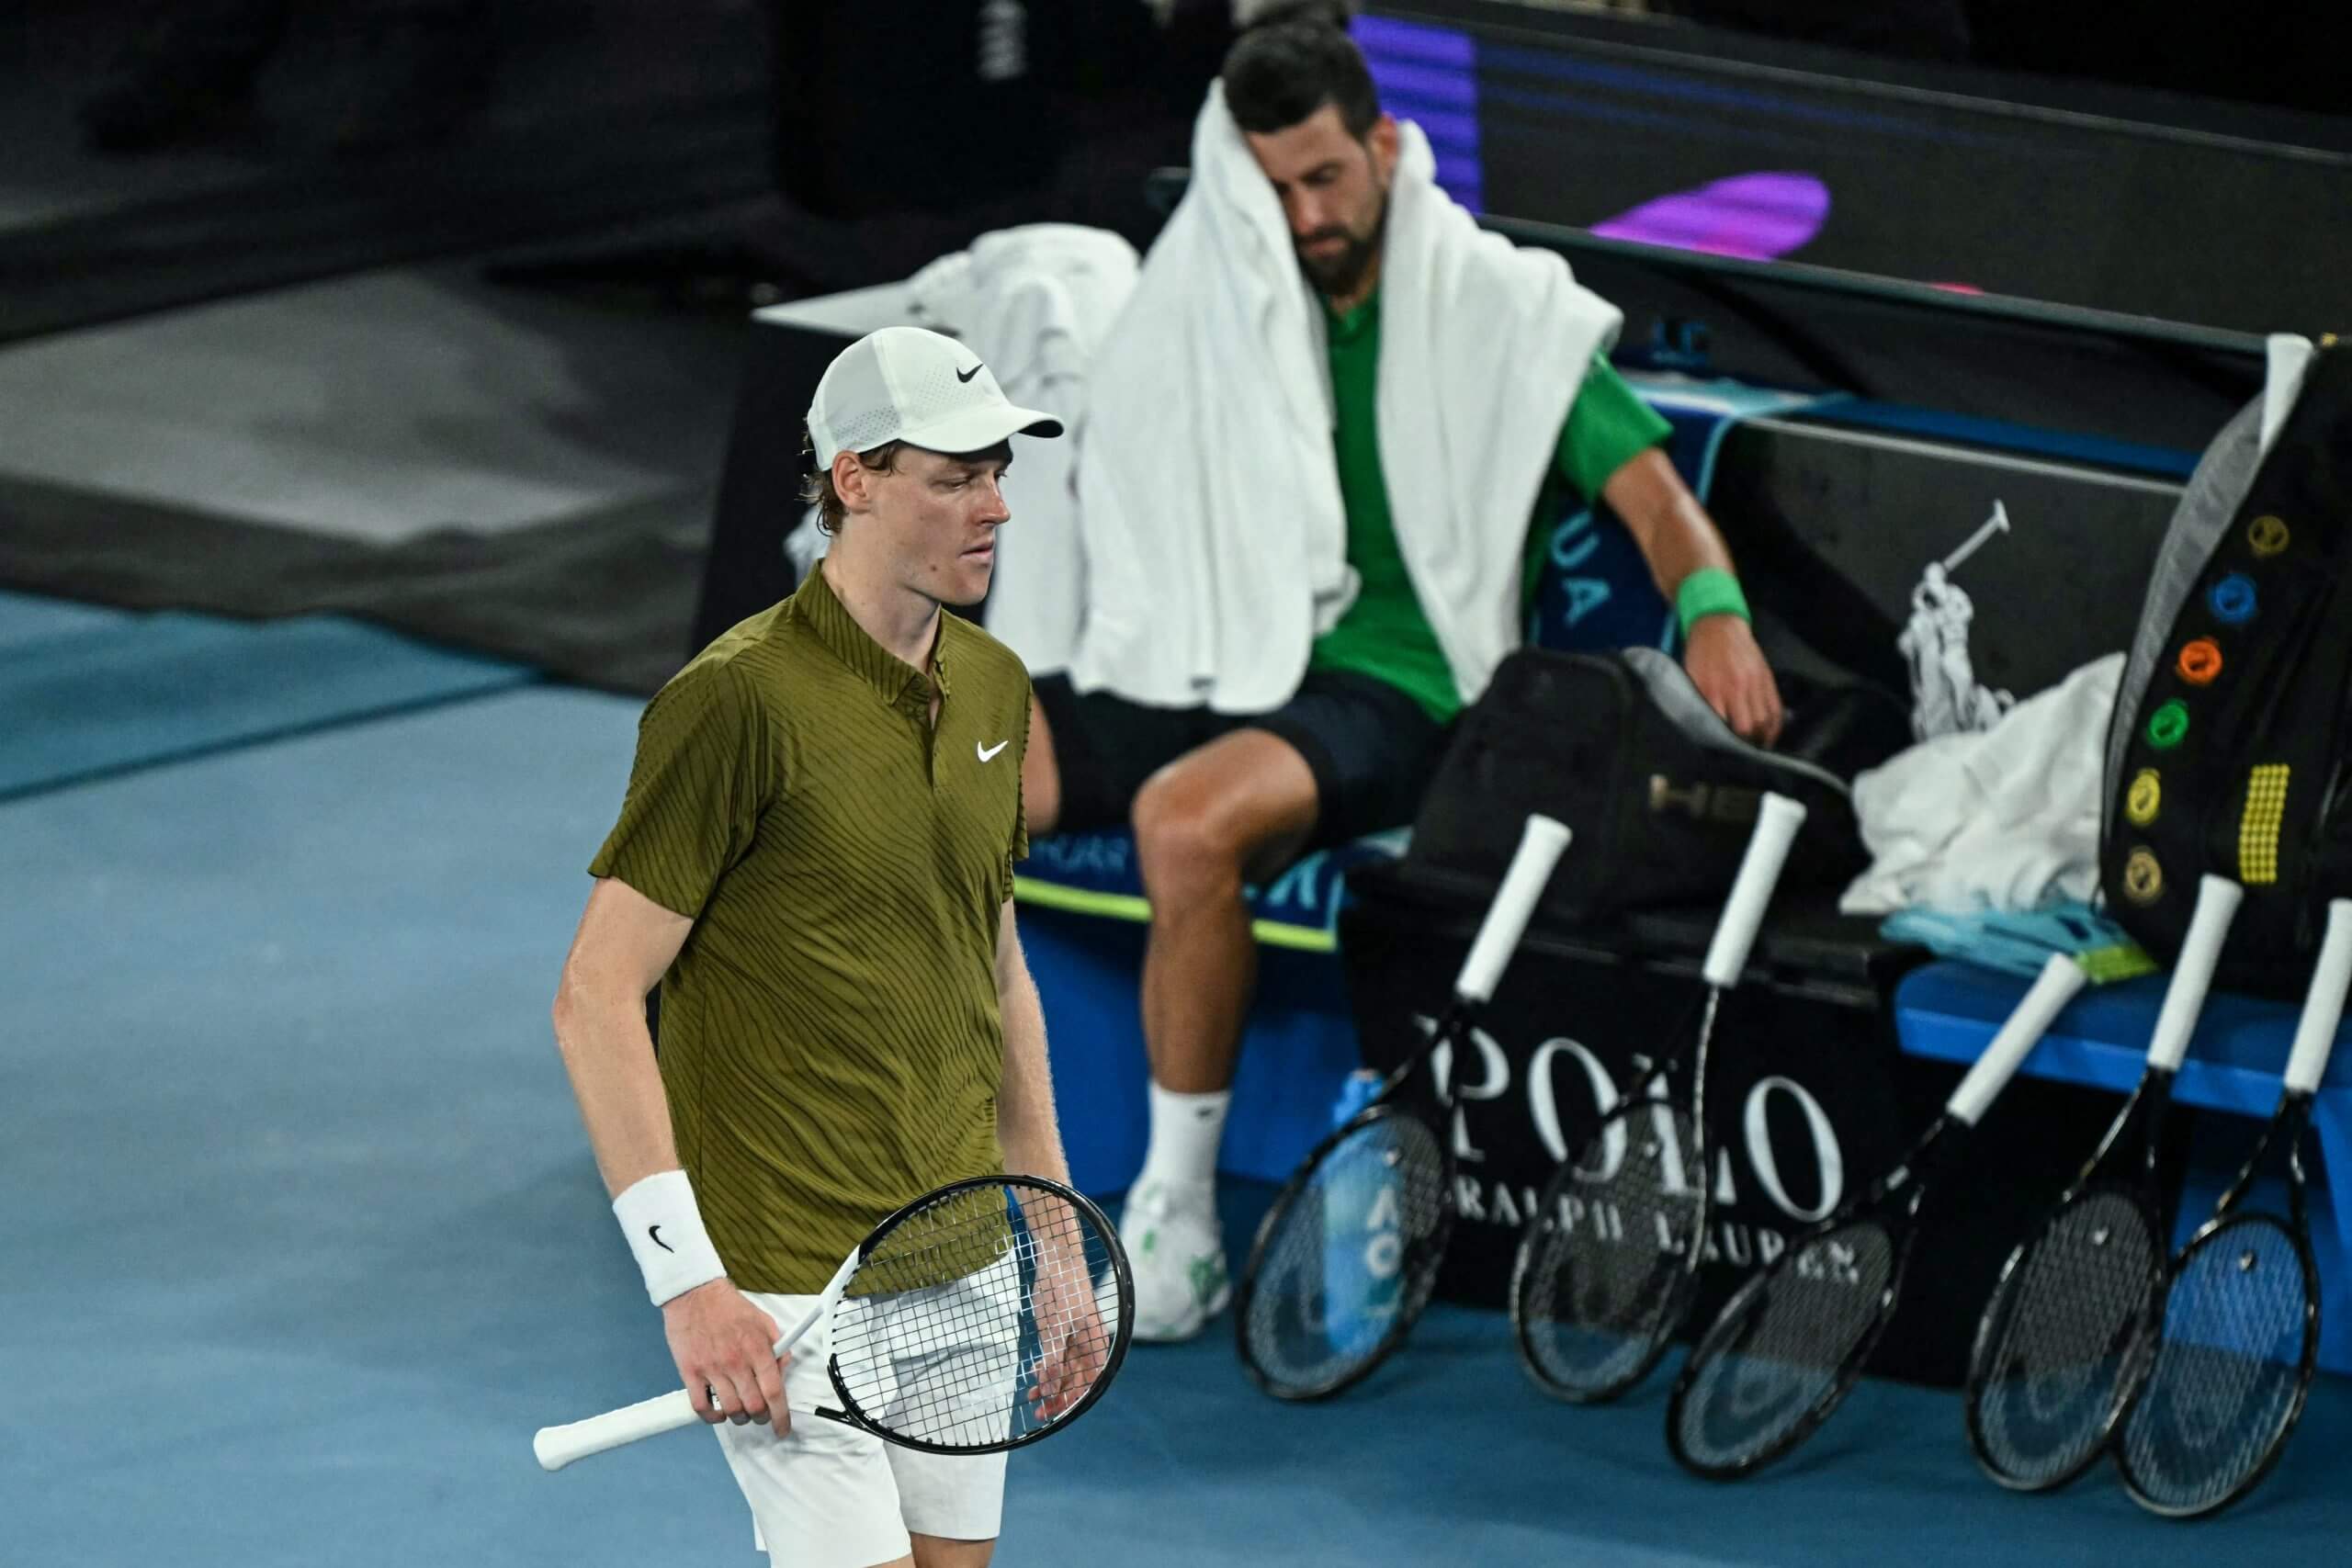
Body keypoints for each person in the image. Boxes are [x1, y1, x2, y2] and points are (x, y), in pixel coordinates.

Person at [1019, 14, 1786, 1342]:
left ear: (1383, 145)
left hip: (1401, 692)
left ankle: (1178, 1218)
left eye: (1326, 179)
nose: (1306, 217)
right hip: (1219, 646)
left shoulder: (1495, 307)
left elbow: (1660, 505)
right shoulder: (1222, 298)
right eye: (1276, 190)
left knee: (1185, 822)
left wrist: (1715, 616)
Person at [551, 325, 1072, 1568]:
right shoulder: (735, 702)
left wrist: (1051, 1228)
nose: (995, 508)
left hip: (955, 1251)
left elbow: (992, 968)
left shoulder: (997, 688)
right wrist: (687, 1284)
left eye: (998, 473)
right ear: (855, 481)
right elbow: (594, 997)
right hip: (787, 1280)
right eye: (954, 479)